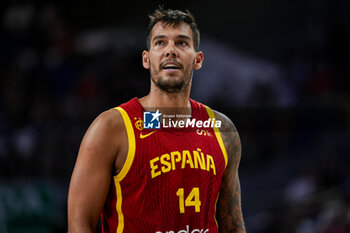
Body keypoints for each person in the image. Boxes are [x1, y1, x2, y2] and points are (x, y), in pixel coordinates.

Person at [68, 7, 246, 233]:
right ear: (146, 58)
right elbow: (79, 224)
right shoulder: (111, 128)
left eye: (182, 43)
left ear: (198, 59)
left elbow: (233, 225)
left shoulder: (222, 129)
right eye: (160, 43)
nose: (170, 50)